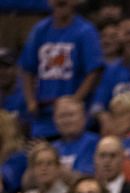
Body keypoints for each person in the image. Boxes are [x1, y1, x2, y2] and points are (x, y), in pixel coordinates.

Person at [19, 0, 103, 138]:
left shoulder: (85, 31)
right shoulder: (40, 30)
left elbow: (94, 72)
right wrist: (30, 101)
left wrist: (74, 102)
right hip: (43, 117)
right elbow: (27, 68)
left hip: (73, 117)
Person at [51, 96, 98, 176]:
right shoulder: (52, 148)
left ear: (84, 117)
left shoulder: (95, 143)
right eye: (62, 116)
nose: (66, 120)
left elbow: (88, 178)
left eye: (71, 115)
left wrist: (58, 171)